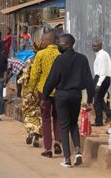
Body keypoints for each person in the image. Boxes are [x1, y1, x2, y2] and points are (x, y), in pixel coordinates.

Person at [42, 33, 95, 168]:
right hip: (76, 96)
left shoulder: (60, 60)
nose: (58, 45)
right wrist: (89, 99)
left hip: (62, 96)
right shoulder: (82, 59)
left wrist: (45, 97)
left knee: (64, 126)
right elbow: (89, 80)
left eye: (60, 43)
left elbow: (51, 80)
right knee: (73, 124)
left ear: (68, 44)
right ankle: (77, 151)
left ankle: (67, 158)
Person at [29, 31, 62, 159]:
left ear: (48, 41)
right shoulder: (60, 54)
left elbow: (35, 73)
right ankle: (58, 141)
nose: (41, 42)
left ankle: (48, 148)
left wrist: (31, 90)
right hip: (59, 91)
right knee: (58, 117)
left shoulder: (41, 54)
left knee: (46, 118)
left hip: (44, 91)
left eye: (43, 40)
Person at [19, 40, 44, 148]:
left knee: (28, 112)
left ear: (34, 49)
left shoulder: (31, 61)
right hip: (43, 90)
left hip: (29, 91)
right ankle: (37, 136)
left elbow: (24, 77)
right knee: (40, 114)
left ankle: (30, 131)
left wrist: (20, 84)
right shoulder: (46, 60)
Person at [92, 39, 111, 126]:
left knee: (96, 101)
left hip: (101, 78)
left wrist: (98, 84)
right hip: (105, 79)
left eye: (95, 46)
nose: (93, 47)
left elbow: (102, 72)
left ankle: (99, 121)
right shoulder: (104, 54)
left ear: (100, 46)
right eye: (93, 46)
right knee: (100, 99)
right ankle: (109, 114)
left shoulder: (101, 56)